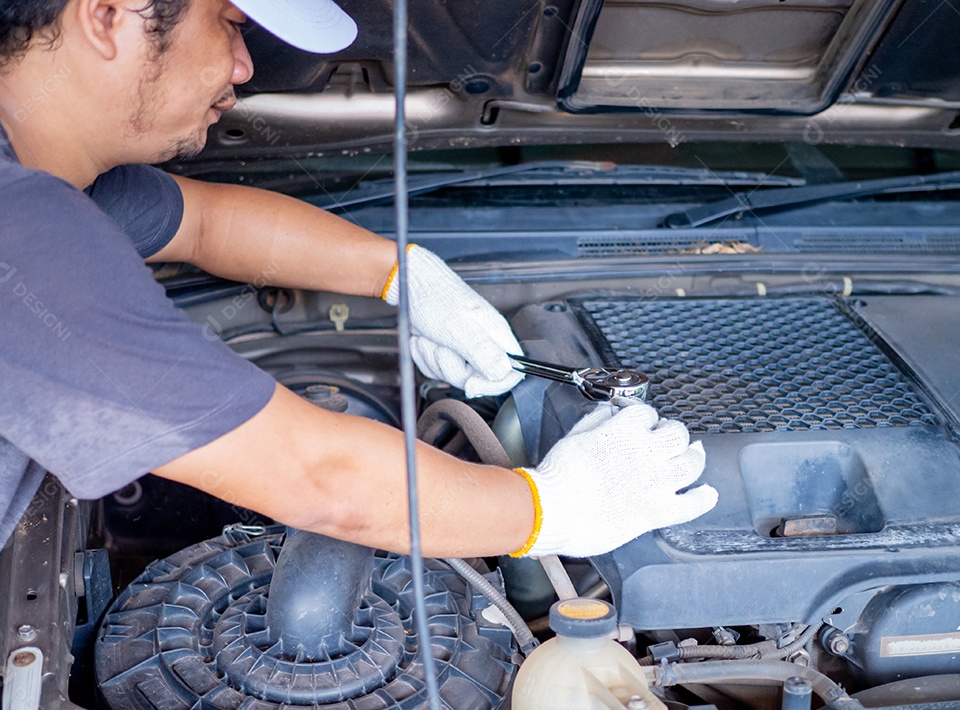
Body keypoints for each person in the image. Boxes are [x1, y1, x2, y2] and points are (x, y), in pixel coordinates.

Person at [0, 0, 718, 560]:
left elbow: (208, 224)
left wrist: (404, 278)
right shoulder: (25, 229)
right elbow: (316, 477)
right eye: (230, 25)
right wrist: (547, 510)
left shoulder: (47, 175)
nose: (245, 67)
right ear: (105, 17)